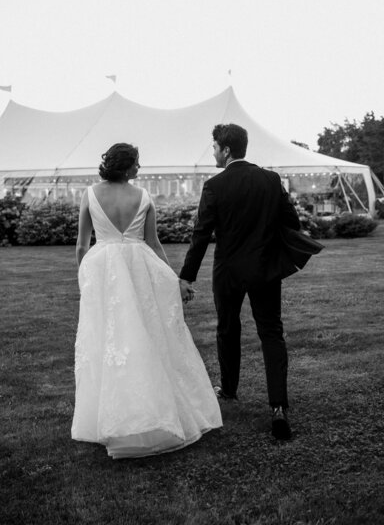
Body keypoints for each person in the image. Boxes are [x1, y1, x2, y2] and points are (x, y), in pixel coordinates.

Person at [71, 143, 222, 459]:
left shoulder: (89, 194)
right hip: (139, 269)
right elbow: (153, 243)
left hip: (102, 271)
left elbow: (82, 247)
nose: (140, 168)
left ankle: (113, 414)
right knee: (146, 336)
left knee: (109, 339)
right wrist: (175, 280)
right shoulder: (143, 196)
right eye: (137, 163)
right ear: (127, 167)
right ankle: (150, 409)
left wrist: (86, 281)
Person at [179, 124, 301, 440]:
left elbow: (201, 234)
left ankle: (229, 390)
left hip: (229, 271)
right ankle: (278, 408)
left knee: (228, 329)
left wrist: (186, 276)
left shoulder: (214, 185)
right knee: (272, 332)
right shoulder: (271, 180)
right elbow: (293, 223)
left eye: (215, 148)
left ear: (226, 150)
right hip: (264, 269)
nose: (214, 153)